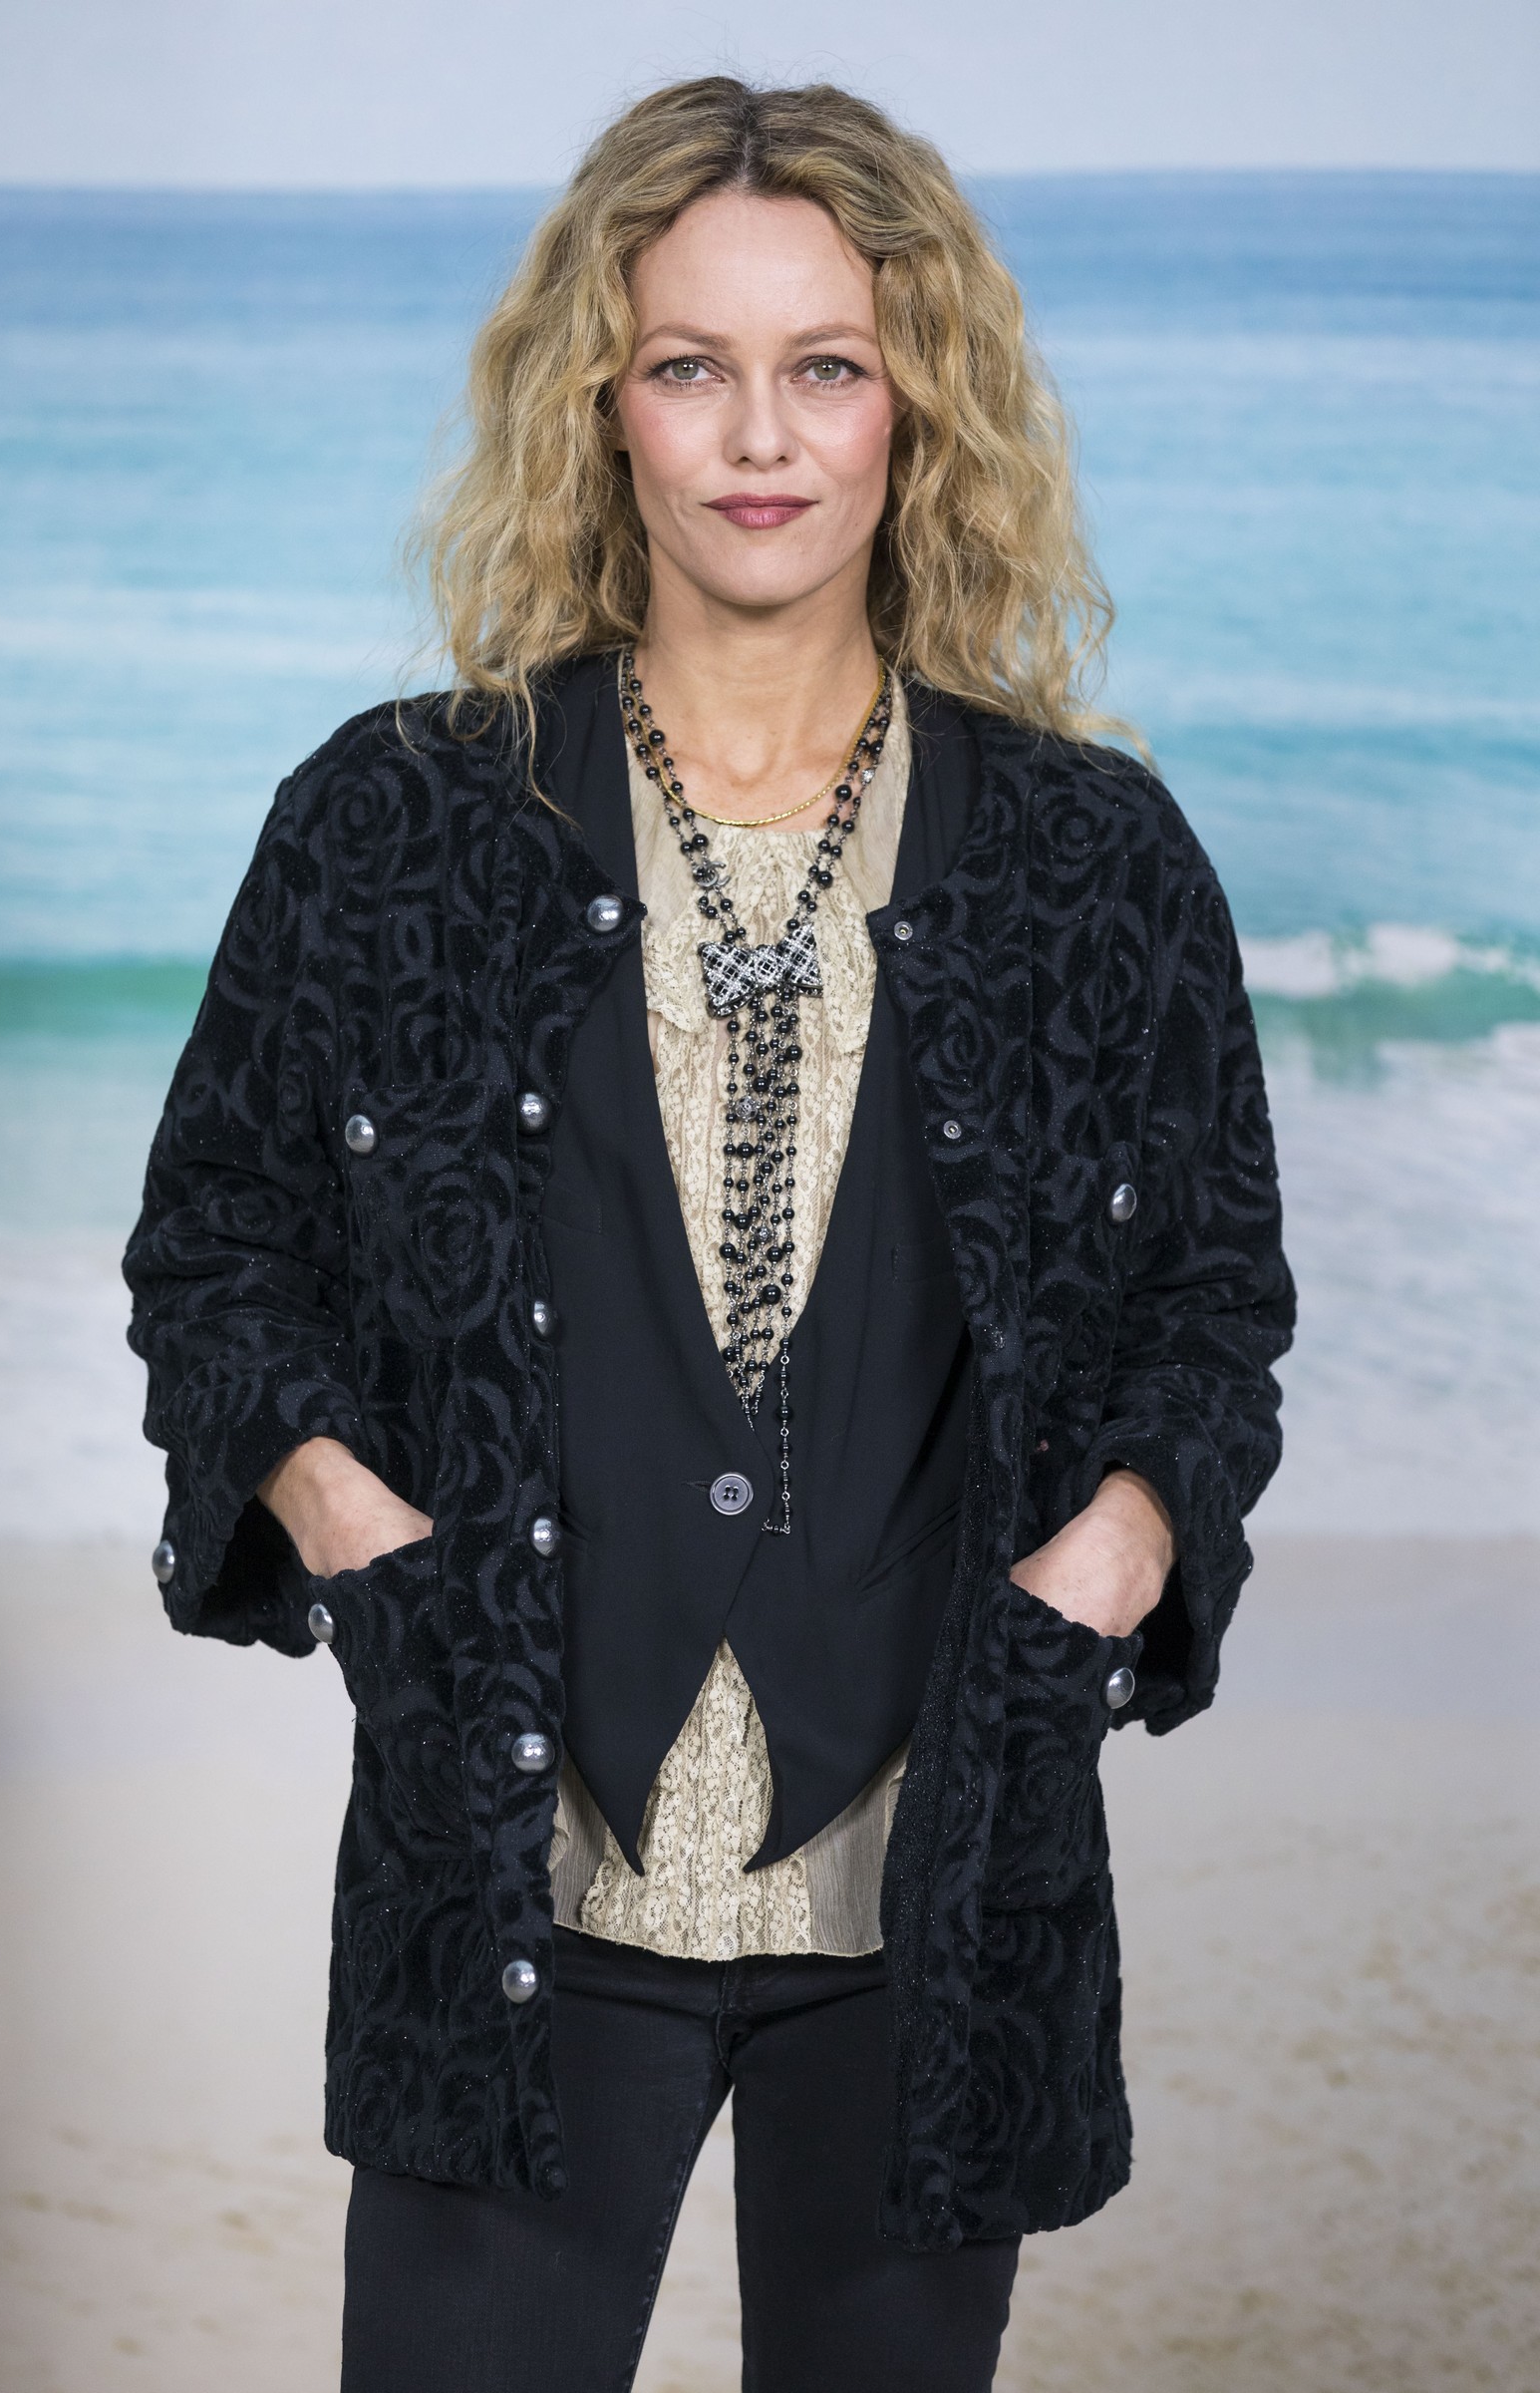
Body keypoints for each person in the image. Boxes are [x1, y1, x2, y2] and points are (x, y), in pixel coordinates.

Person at [124, 75, 1295, 2393]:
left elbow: (1209, 1298)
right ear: (602, 407)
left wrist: (1119, 1548)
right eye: (690, 366)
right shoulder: (393, 820)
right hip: (508, 1869)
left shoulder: (1091, 860)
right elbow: (218, 1241)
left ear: (912, 408)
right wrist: (349, 1520)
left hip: (937, 1880)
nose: (760, 435)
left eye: (824, 366)